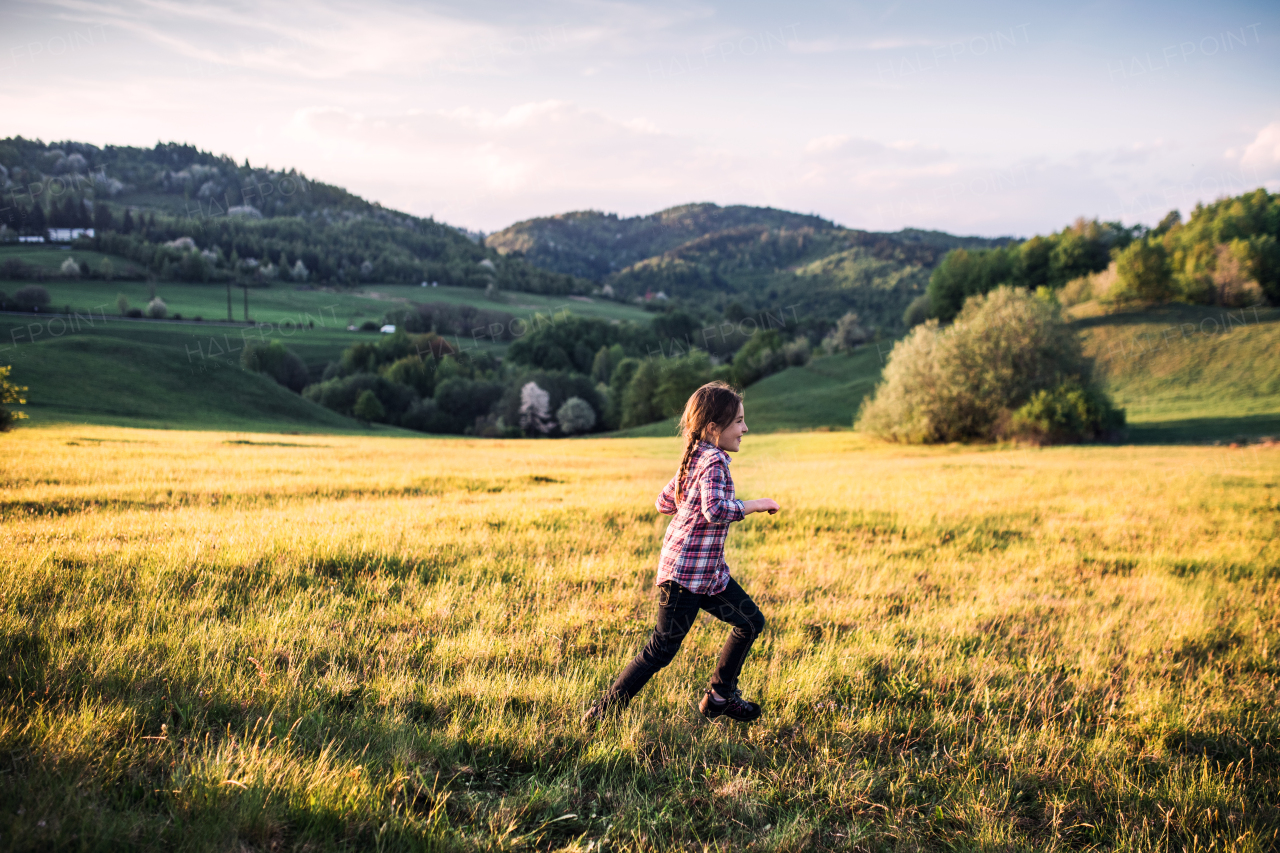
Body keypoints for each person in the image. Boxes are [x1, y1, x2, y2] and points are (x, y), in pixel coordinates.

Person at [583, 381, 780, 727]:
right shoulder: (714, 461)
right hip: (685, 578)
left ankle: (720, 696)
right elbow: (715, 510)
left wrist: (685, 495)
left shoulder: (695, 457)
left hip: (707, 575)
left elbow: (663, 502)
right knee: (660, 650)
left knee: (750, 622)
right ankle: (602, 714)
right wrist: (756, 504)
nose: (745, 428)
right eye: (738, 422)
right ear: (713, 429)